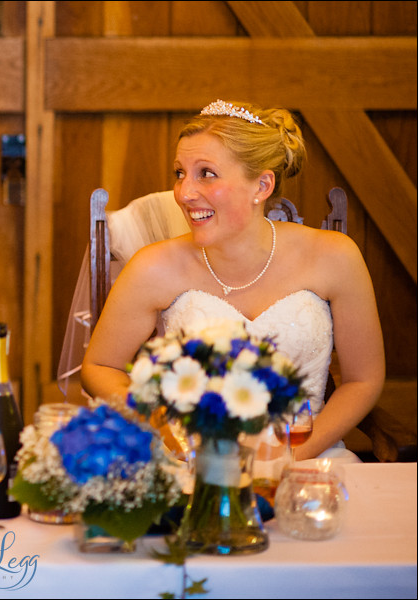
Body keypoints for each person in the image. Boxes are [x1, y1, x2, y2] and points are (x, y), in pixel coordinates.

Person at [81, 99, 385, 461]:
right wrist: (166, 427)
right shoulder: (153, 267)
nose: (184, 192)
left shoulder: (335, 257)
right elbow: (99, 367)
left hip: (309, 462)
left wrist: (291, 454)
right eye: (180, 173)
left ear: (262, 185)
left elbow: (362, 381)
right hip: (191, 463)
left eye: (205, 173)